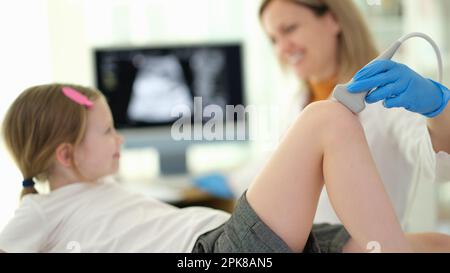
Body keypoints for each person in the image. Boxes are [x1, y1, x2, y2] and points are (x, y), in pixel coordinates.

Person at [2, 83, 450, 253]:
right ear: (65, 155)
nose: (119, 140)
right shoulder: (41, 211)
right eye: (106, 132)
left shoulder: (102, 190)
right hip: (214, 253)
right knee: (326, 119)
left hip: (232, 238)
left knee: (433, 243)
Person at [194, 0, 450, 229]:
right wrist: (230, 180)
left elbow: (439, 165)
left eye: (289, 29)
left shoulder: (384, 92)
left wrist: (437, 106)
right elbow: (278, 162)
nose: (282, 48)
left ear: (333, 20)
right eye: (273, 39)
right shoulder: (297, 100)